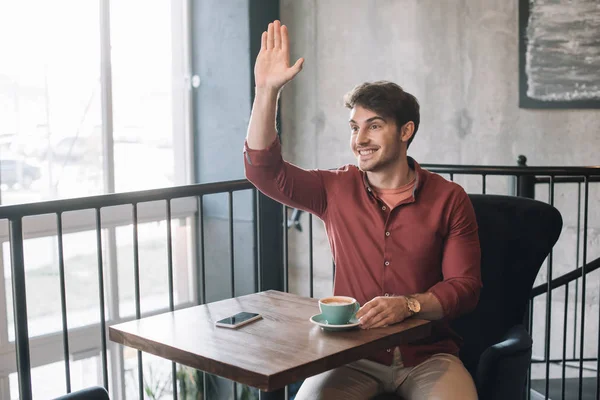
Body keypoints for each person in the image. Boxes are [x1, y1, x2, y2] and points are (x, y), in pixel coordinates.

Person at [244, 20, 481, 400]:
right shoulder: (334, 188)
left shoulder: (449, 198)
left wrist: (409, 305)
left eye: (374, 126)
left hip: (429, 356)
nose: (360, 140)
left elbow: (464, 288)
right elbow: (263, 171)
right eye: (354, 127)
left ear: (405, 131)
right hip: (351, 353)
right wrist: (266, 91)